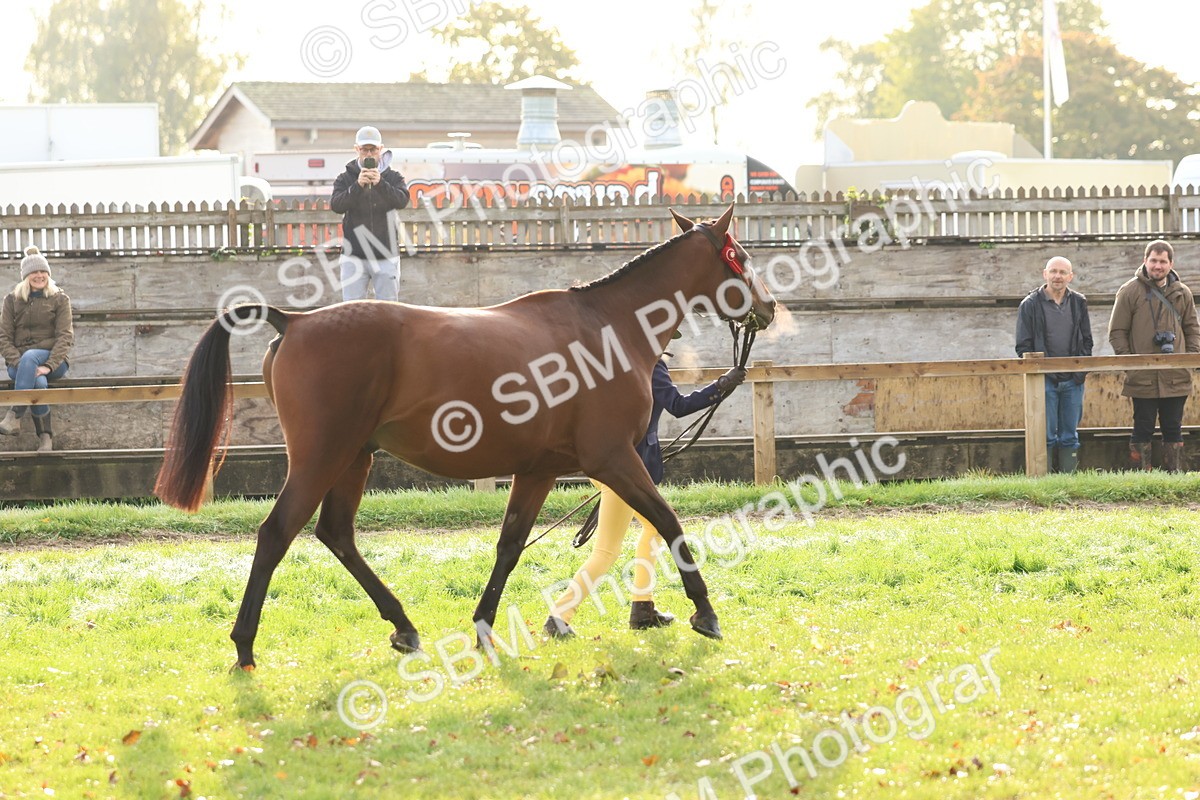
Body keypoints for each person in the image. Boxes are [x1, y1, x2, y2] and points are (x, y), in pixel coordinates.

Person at [544, 349, 747, 638]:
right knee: (606, 551)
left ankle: (643, 608)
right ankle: (559, 617)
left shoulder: (611, 361)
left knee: (654, 528)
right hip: (625, 471)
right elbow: (678, 405)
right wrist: (721, 386)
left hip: (604, 463)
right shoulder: (649, 364)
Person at [1107, 239, 1200, 472]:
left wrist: (1188, 360)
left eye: (1162, 261)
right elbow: (1117, 332)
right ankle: (1141, 479)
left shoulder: (1182, 293)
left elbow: (1192, 329)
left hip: (1176, 376)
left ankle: (1173, 477)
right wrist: (1131, 365)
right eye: (1153, 260)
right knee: (1142, 427)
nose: (1158, 266)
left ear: (1171, 264)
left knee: (1173, 428)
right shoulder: (1130, 291)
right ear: (1145, 261)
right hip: (1143, 376)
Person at [1015, 256, 1093, 473]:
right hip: (1044, 380)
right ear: (1045, 274)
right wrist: (1040, 373)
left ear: (1070, 276)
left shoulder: (1079, 303)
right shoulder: (1030, 305)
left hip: (1073, 380)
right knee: (1045, 435)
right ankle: (1044, 480)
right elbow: (1023, 345)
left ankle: (1069, 480)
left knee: (1070, 435)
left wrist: (1079, 373)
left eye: (1062, 272)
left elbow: (1087, 341)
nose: (1057, 276)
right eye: (1053, 271)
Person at [0, 246, 74, 452]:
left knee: (32, 356)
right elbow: (3, 337)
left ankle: (15, 414)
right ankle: (45, 437)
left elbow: (65, 336)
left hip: (54, 361)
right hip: (19, 363)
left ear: (48, 274)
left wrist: (49, 366)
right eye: (34, 272)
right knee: (38, 382)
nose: (39, 276)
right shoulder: (12, 300)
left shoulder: (60, 299)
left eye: (43, 271)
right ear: (26, 276)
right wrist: (21, 363)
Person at [330, 125, 410, 301]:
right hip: (354, 256)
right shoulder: (345, 178)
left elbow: (402, 200)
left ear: (380, 149)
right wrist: (357, 186)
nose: (368, 154)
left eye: (372, 149)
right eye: (364, 149)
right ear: (356, 149)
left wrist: (381, 184)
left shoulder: (393, 177)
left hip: (386, 255)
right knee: (352, 310)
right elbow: (336, 205)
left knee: (388, 310)